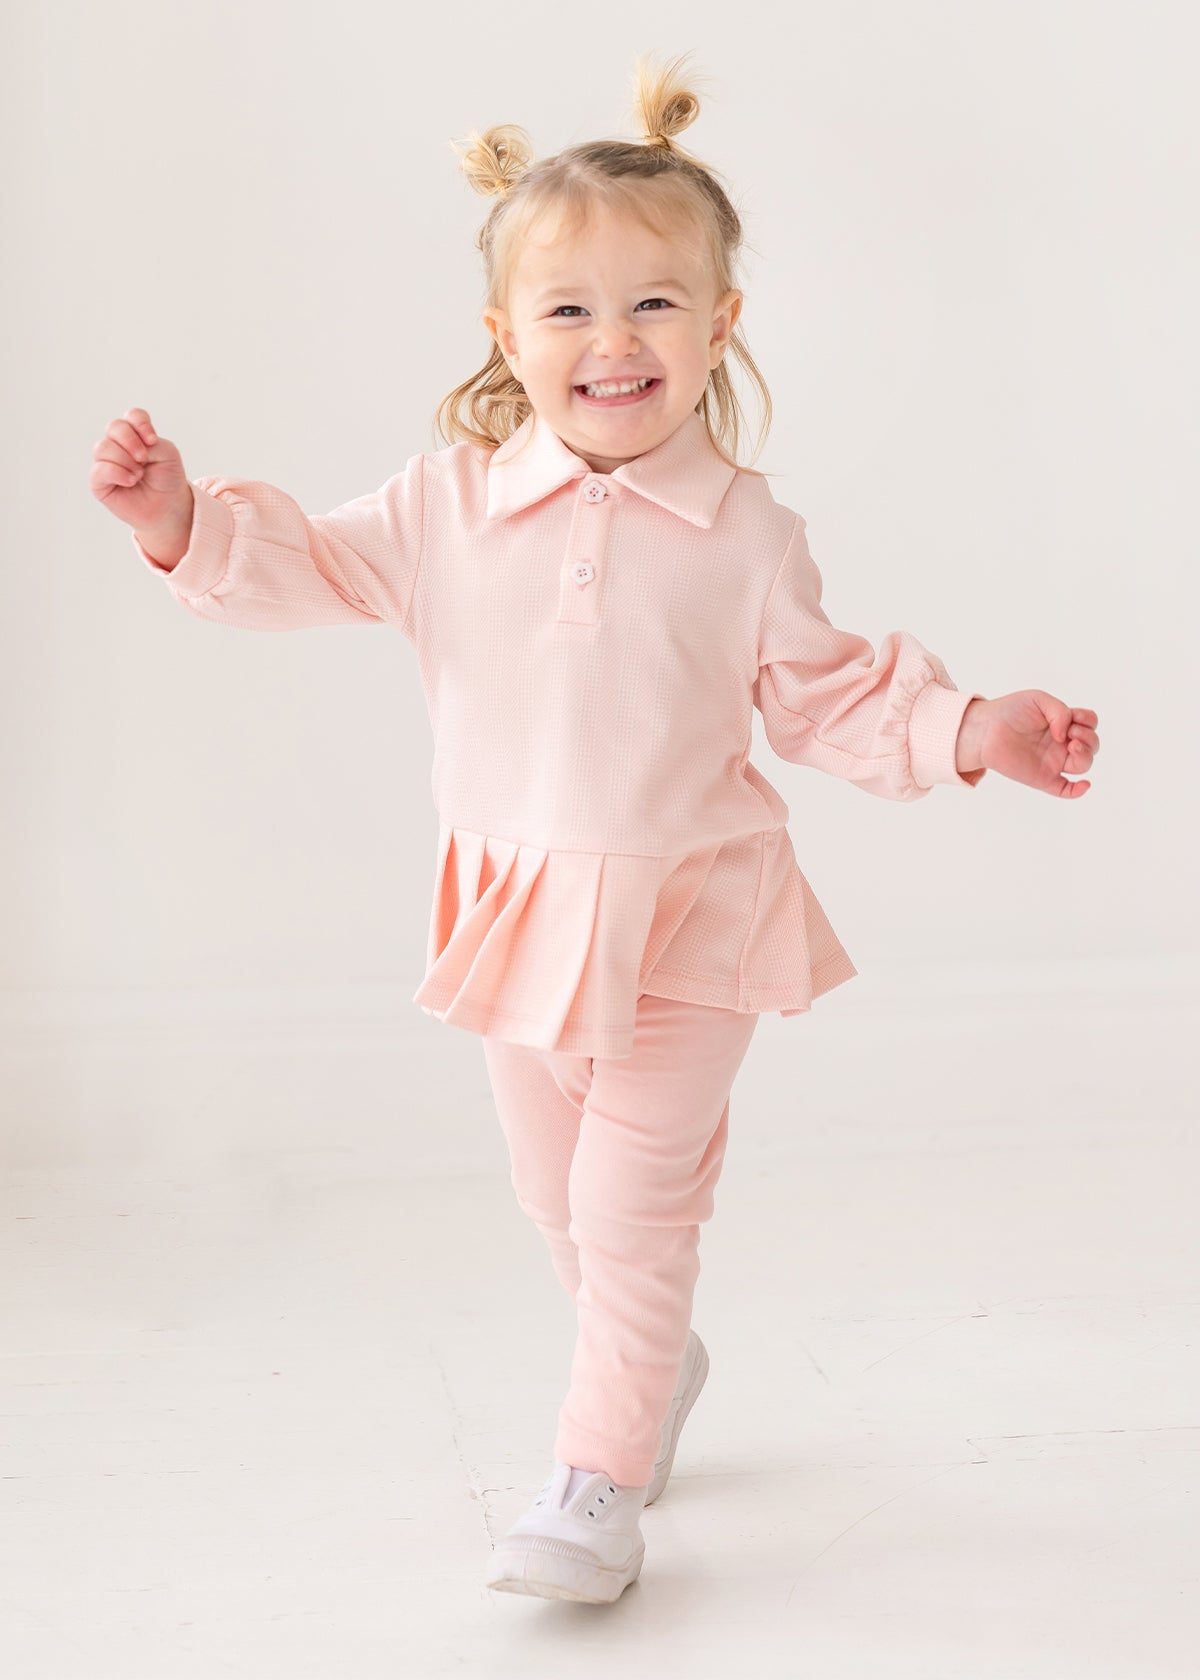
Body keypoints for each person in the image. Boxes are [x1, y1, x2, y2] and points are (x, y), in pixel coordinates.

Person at [90, 50, 1099, 1606]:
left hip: (694, 920)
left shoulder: (747, 531)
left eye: (653, 305)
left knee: (632, 1212)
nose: (613, 341)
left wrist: (974, 729)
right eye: (569, 309)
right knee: (555, 1203)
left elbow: (826, 695)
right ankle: (652, 1363)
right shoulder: (447, 506)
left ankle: (594, 1479)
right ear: (507, 336)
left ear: (720, 325)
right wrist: (177, 522)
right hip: (518, 917)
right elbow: (303, 569)